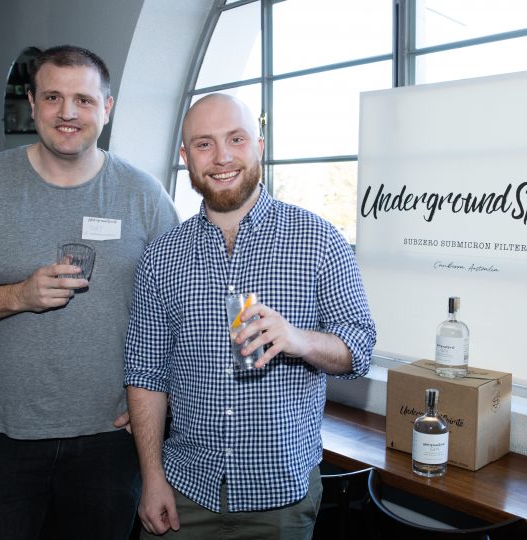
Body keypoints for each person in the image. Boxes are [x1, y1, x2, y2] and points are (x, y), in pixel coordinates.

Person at [0, 45, 179, 539]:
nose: (68, 113)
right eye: (53, 96)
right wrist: (17, 296)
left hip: (110, 440)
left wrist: (164, 403)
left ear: (107, 108)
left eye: (84, 100)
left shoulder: (144, 195)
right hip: (0, 436)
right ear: (32, 103)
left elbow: (180, 313)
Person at [124, 93, 376, 539]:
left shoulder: (318, 240)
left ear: (258, 144)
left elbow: (359, 348)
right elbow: (146, 374)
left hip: (280, 499)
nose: (222, 157)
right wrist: (152, 477)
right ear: (185, 158)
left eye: (235, 139)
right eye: (203, 144)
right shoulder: (162, 257)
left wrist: (297, 339)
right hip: (184, 492)